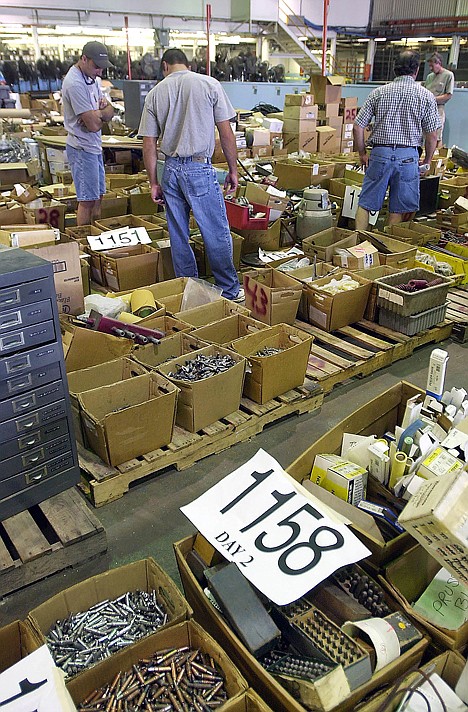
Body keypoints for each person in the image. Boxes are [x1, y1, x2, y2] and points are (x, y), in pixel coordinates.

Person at [139, 48, 243, 301]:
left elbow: (149, 143)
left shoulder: (155, 93)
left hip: (170, 169)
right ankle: (229, 290)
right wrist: (233, 169)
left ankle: (191, 291)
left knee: (179, 235)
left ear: (165, 65)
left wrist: (153, 182)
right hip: (198, 168)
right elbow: (225, 132)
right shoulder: (208, 84)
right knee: (215, 231)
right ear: (187, 64)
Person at [353, 50, 440, 231]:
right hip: (408, 157)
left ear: (394, 69)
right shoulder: (426, 96)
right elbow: (432, 135)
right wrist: (428, 161)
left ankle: (359, 245)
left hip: (379, 154)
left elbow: (357, 126)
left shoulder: (378, 93)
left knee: (366, 202)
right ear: (416, 71)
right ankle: (385, 246)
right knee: (398, 208)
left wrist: (362, 153)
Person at [61, 41, 114, 225]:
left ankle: (95, 231)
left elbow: (110, 110)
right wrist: (100, 116)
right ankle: (84, 241)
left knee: (98, 195)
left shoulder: (92, 79)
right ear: (84, 59)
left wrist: (98, 114)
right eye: (96, 67)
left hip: (94, 146)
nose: (100, 71)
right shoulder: (75, 83)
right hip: (82, 148)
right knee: (87, 200)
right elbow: (92, 125)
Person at [424, 52, 455, 146]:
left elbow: (448, 95)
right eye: (429, 66)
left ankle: (436, 158)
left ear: (439, 63)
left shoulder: (448, 75)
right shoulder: (430, 77)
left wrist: (432, 99)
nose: (431, 68)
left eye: (432, 66)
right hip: (426, 110)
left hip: (438, 110)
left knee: (437, 136)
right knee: (425, 135)